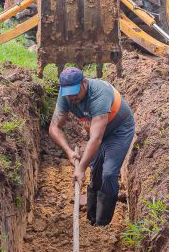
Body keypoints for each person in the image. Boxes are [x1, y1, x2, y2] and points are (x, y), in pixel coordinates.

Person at [49, 67, 135, 226]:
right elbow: (54, 127)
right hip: (97, 129)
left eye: (75, 92)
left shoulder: (99, 95)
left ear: (84, 83)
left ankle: (102, 224)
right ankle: (92, 218)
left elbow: (96, 138)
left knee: (108, 173)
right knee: (95, 172)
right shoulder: (66, 95)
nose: (72, 97)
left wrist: (81, 168)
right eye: (68, 93)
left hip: (118, 130)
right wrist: (69, 151)